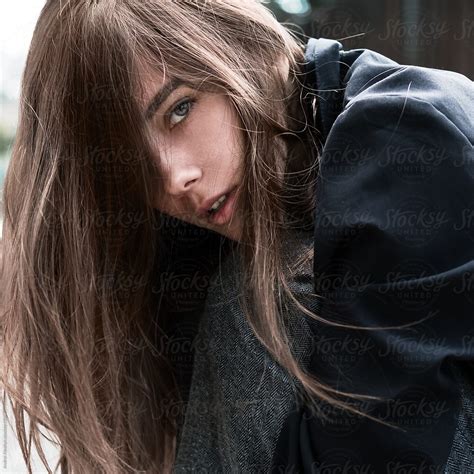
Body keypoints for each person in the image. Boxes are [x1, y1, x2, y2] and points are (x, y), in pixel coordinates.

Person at [0, 0, 472, 473]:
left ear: (241, 45)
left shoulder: (402, 136)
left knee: (256, 299)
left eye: (179, 109)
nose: (173, 179)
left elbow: (380, 458)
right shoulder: (225, 218)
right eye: (134, 163)